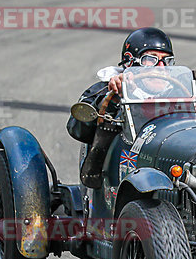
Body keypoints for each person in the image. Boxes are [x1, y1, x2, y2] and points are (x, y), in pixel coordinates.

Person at [67, 27, 174, 188]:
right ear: (131, 62)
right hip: (120, 173)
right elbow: (77, 128)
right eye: (150, 59)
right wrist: (112, 98)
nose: (160, 66)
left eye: (167, 60)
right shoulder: (106, 89)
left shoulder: (181, 93)